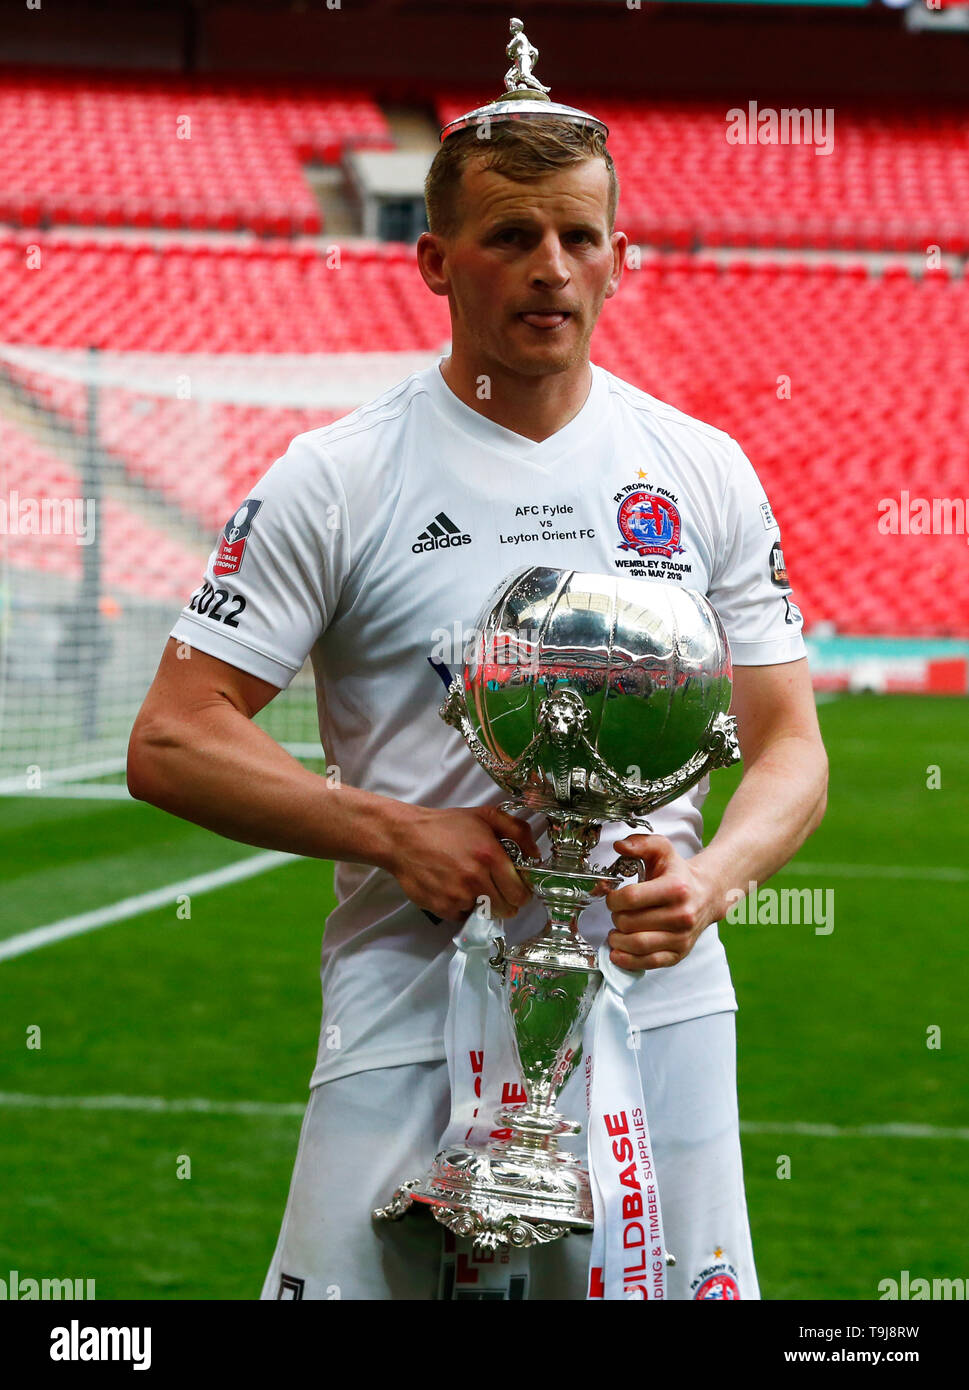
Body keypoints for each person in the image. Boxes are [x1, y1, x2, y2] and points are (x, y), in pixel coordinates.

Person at [127, 76, 827, 1302]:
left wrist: (713, 880)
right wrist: (397, 830)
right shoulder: (334, 478)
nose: (549, 265)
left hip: (655, 995)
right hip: (408, 991)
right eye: (511, 236)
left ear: (619, 260)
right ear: (435, 262)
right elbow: (176, 739)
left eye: (578, 236)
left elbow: (792, 751)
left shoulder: (703, 471)